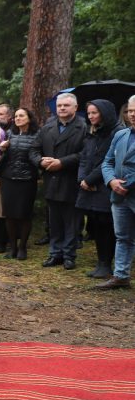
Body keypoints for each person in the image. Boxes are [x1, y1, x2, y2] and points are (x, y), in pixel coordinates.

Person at [30, 93, 87, 270]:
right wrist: (40, 161)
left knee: (71, 221)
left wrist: (62, 162)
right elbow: (33, 149)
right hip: (51, 180)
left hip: (71, 181)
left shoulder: (84, 128)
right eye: (59, 105)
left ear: (75, 108)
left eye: (66, 105)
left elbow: (85, 154)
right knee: (54, 221)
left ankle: (69, 255)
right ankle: (55, 253)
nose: (62, 108)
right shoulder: (47, 127)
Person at [76, 100, 122, 279]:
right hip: (89, 186)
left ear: (104, 113)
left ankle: (106, 264)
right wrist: (82, 179)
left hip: (105, 186)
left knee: (106, 225)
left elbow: (108, 161)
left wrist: (90, 179)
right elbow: (84, 158)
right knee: (96, 223)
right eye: (88, 113)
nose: (91, 116)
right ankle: (101, 263)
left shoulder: (116, 133)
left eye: (94, 113)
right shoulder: (93, 133)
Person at [97, 96, 135, 289]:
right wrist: (111, 180)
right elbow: (107, 161)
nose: (132, 114)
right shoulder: (121, 135)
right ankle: (121, 275)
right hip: (119, 197)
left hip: (130, 192)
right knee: (122, 237)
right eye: (130, 110)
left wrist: (128, 183)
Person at [0, 107, 39, 259]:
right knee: (9, 215)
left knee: (24, 214)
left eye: (21, 116)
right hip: (8, 178)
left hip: (27, 179)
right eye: (16, 116)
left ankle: (22, 248)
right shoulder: (9, 134)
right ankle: (12, 247)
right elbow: (3, 156)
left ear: (29, 117)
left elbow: (38, 154)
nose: (18, 118)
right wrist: (2, 148)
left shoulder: (37, 135)